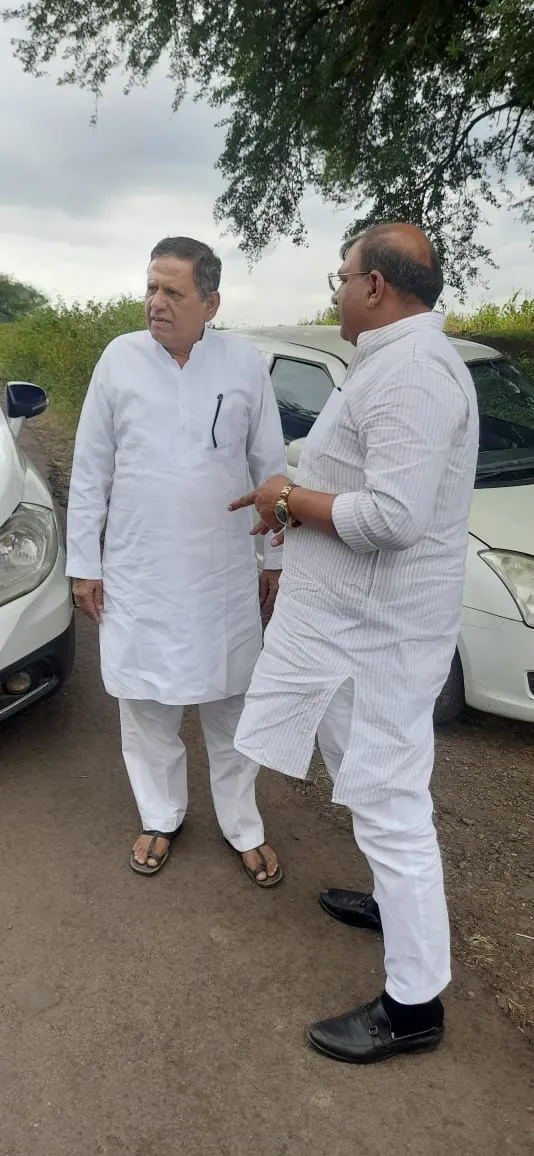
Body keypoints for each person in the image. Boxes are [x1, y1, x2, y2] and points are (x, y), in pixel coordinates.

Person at [230, 223, 479, 1062]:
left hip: (378, 642)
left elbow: (392, 518)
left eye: (342, 276)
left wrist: (288, 497)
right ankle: (391, 903)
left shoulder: (414, 374)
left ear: (374, 287)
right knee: (367, 785)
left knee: (393, 807)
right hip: (349, 631)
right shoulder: (390, 360)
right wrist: (293, 491)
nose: (335, 290)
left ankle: (413, 1007)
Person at [66, 235, 286, 884]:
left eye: (173, 292)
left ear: (210, 303)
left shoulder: (244, 364)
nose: (155, 303)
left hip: (222, 574)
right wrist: (85, 563)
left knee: (232, 702)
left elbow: (270, 468)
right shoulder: (119, 359)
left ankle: (243, 825)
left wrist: (277, 559)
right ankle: (160, 815)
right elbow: (90, 469)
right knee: (145, 704)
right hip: (141, 571)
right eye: (151, 288)